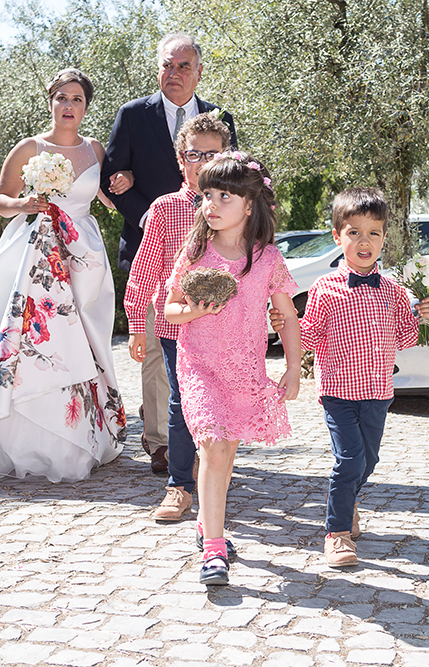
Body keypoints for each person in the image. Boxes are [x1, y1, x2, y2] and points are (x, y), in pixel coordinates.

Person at [0, 68, 133, 483]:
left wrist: (127, 182)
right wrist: (25, 204)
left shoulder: (97, 150)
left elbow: (112, 194)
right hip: (39, 253)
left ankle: (87, 431)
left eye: (77, 99)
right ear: (50, 102)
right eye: (61, 97)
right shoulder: (29, 147)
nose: (69, 106)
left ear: (86, 106)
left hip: (85, 255)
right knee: (40, 338)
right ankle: (26, 436)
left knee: (88, 341)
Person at [101, 33, 238, 475]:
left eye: (183, 66)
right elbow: (110, 178)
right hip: (152, 247)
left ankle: (203, 437)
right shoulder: (132, 114)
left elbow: (237, 179)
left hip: (214, 253)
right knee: (160, 353)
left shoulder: (220, 118)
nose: (173, 73)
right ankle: (161, 442)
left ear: (199, 72)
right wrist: (151, 218)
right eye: (167, 65)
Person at [164, 152, 301, 586]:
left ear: (249, 204)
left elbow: (288, 315)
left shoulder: (267, 259)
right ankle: (214, 550)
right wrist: (194, 312)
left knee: (226, 460)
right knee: (214, 450)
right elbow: (169, 310)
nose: (213, 204)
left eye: (225, 195)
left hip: (243, 371)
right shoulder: (194, 252)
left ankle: (209, 521)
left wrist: (294, 369)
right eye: (207, 194)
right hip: (199, 364)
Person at [299, 187, 429, 567]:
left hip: (378, 391)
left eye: (373, 233)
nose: (365, 241)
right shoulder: (324, 288)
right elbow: (310, 335)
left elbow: (406, 336)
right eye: (354, 232)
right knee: (349, 460)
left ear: (384, 238)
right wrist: (287, 326)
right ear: (337, 236)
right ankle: (337, 532)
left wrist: (426, 318)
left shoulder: (393, 291)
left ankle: (347, 501)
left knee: (368, 461)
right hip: (338, 392)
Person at [122, 113, 231, 523]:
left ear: (227, 157)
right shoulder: (166, 209)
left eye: (212, 154)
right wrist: (136, 323)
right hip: (175, 325)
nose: (202, 162)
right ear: (179, 158)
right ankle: (179, 487)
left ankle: (216, 472)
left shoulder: (241, 205)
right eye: (193, 154)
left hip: (226, 326)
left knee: (221, 401)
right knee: (182, 403)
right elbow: (145, 270)